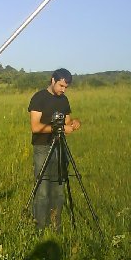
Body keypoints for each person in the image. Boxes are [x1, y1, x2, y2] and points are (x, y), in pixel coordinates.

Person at [27, 68, 81, 232]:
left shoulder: (63, 100)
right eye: (61, 86)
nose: (63, 90)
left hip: (59, 147)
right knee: (42, 190)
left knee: (58, 189)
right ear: (52, 80)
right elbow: (35, 127)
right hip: (42, 147)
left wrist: (74, 123)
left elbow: (67, 121)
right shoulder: (39, 98)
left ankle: (56, 225)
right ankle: (39, 227)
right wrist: (61, 128)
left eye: (66, 87)